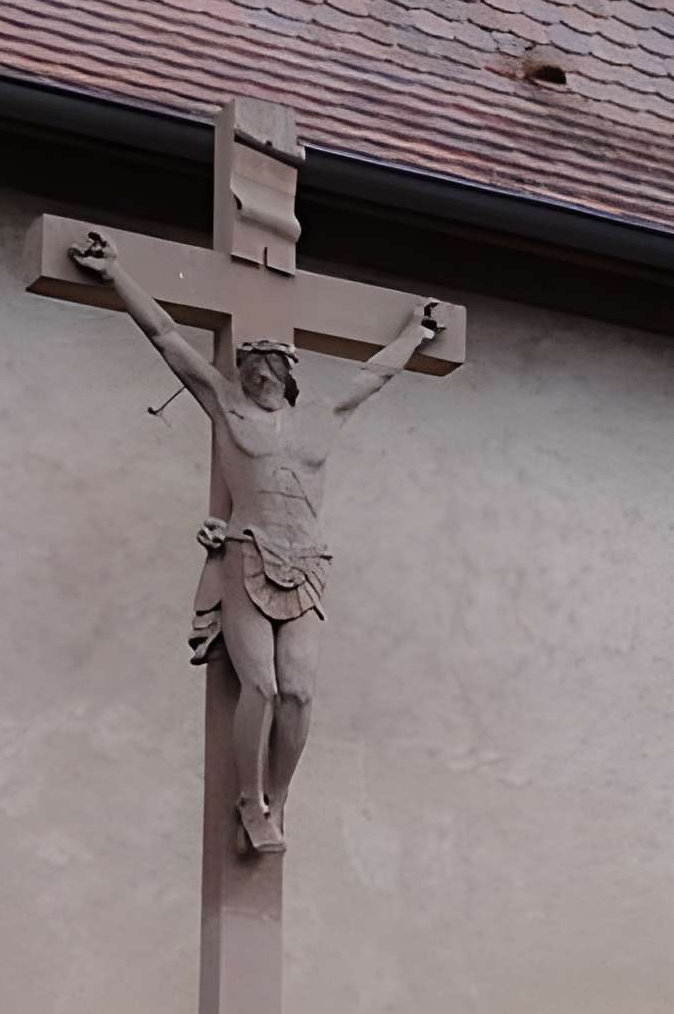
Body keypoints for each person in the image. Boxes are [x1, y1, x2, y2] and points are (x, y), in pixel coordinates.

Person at [71, 229, 442, 856]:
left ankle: (281, 798)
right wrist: (115, 275)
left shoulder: (321, 417)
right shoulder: (225, 406)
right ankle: (249, 799)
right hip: (247, 555)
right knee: (262, 688)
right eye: (252, 365)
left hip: (309, 566)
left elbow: (375, 374)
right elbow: (168, 339)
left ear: (290, 376)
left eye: (272, 366)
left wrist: (415, 333)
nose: (261, 371)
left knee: (299, 691)